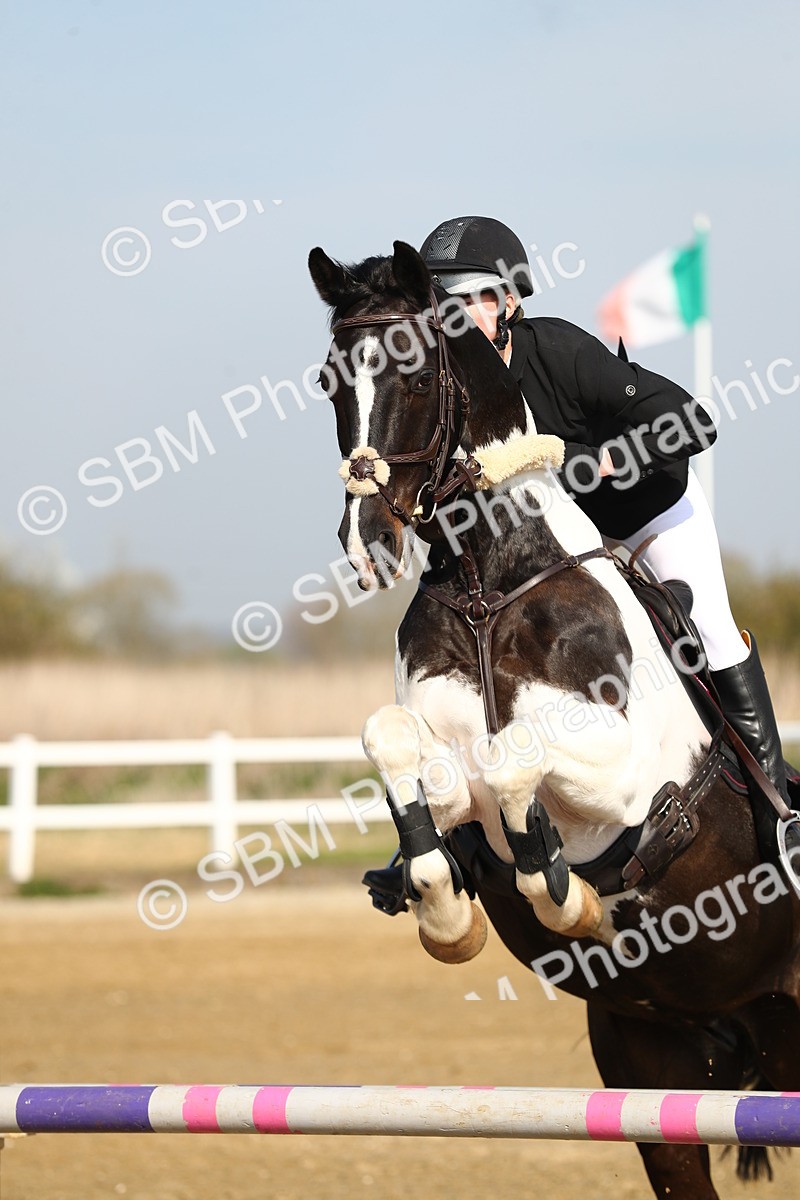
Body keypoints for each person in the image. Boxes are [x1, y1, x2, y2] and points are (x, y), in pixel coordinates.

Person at [419, 215, 791, 805]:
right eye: (442, 305)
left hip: (647, 515)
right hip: (564, 545)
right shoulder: (450, 393)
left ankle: (779, 809)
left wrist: (594, 462)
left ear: (510, 300)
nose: (452, 318)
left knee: (714, 637)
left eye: (471, 299)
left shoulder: (558, 351)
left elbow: (692, 420)